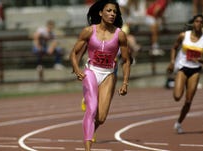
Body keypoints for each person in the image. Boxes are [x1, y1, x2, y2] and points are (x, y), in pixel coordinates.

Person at [69, 0, 131, 150]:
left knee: (101, 117)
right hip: (91, 71)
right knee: (92, 108)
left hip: (109, 74)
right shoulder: (89, 31)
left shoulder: (120, 35)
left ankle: (91, 130)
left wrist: (125, 83)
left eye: (114, 12)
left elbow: (126, 60)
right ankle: (88, 147)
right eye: (109, 11)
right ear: (100, 13)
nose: (112, 14)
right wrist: (77, 69)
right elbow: (73, 53)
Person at [167, 14, 203, 134]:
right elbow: (174, 48)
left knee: (188, 101)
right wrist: (172, 62)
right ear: (193, 23)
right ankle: (179, 121)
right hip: (182, 68)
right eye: (196, 21)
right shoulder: (183, 35)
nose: (199, 23)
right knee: (177, 97)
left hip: (195, 70)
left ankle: (179, 123)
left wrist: (199, 60)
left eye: (201, 22)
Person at [145, 0, 169, 74]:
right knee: (155, 31)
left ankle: (155, 47)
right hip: (151, 16)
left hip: (151, 15)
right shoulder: (164, 1)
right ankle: (155, 48)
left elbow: (160, 13)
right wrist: (157, 22)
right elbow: (156, 11)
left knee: (155, 31)